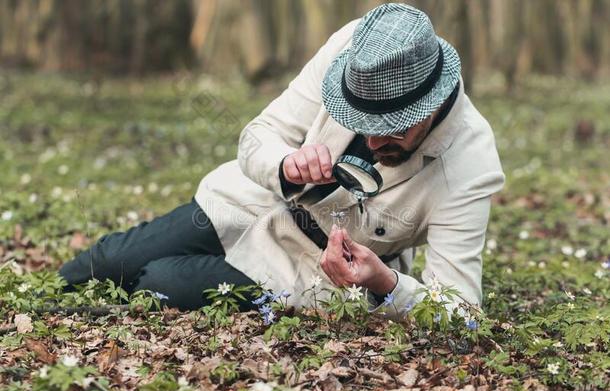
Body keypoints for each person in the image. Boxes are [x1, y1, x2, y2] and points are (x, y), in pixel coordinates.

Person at [59, 3, 504, 320]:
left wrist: (383, 282)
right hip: (245, 203)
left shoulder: (471, 165)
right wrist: (286, 165)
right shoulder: (354, 49)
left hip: (305, 272)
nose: (370, 138)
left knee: (163, 284)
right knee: (105, 262)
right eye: (359, 119)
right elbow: (258, 137)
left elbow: (461, 312)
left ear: (430, 106)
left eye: (390, 126)